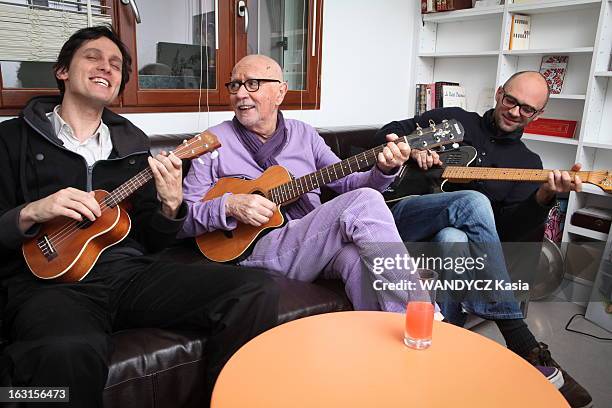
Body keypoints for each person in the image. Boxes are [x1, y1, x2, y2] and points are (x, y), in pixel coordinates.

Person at [0, 26, 279, 407]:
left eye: (116, 64)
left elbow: (151, 236)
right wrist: (32, 211)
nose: (106, 67)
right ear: (62, 70)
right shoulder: (12, 139)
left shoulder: (133, 145)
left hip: (128, 274)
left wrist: (169, 207)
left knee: (256, 290)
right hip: (49, 285)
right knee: (65, 351)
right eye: (93, 57)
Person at [378, 71, 591, 408]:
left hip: (443, 241)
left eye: (527, 109)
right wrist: (406, 149)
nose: (515, 112)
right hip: (402, 214)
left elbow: (506, 231)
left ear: (538, 116)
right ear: (498, 93)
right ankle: (520, 338)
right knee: (473, 202)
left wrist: (545, 196)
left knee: (454, 239)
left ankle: (441, 350)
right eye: (511, 101)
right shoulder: (455, 120)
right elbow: (387, 133)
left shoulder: (528, 164)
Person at [179, 54, 424, 313]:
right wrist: (229, 205)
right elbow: (183, 219)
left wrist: (385, 169)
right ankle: (424, 316)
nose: (240, 94)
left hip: (312, 242)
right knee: (366, 201)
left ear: (280, 92)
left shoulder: (305, 134)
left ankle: (395, 341)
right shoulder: (212, 141)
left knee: (358, 263)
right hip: (259, 250)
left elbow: (351, 184)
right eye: (235, 85)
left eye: (252, 84)